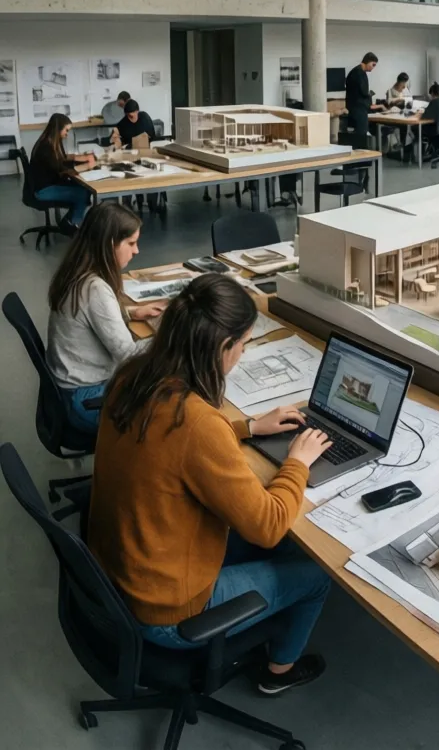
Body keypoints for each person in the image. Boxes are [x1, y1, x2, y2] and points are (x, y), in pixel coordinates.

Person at [87, 274, 334, 696]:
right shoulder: (197, 423)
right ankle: (278, 673)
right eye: (243, 344)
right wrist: (298, 462)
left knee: (282, 545)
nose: (241, 353)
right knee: (316, 571)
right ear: (223, 347)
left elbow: (174, 448)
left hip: (117, 570)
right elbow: (269, 523)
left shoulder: (135, 374)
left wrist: (248, 426)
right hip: (166, 610)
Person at [46, 202, 162, 432]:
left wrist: (130, 313)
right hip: (86, 400)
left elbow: (87, 317)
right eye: (131, 243)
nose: (136, 250)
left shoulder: (77, 272)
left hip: (70, 390)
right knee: (171, 408)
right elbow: (128, 355)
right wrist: (177, 332)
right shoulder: (95, 289)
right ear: (110, 244)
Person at [29, 112, 96, 229]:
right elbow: (61, 169)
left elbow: (61, 161)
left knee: (84, 189)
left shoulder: (51, 142)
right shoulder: (46, 148)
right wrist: (87, 166)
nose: (66, 134)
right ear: (58, 129)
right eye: (66, 130)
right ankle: (72, 225)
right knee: (83, 193)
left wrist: (81, 160)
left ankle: (69, 222)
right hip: (43, 190)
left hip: (49, 184)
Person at [345, 52, 385, 149]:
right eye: (373, 65)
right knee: (361, 135)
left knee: (359, 134)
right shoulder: (359, 73)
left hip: (353, 107)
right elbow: (363, 92)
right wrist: (369, 95)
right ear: (368, 61)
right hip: (358, 108)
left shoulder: (355, 72)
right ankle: (360, 158)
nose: (373, 68)